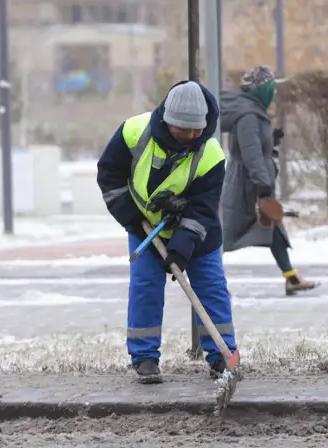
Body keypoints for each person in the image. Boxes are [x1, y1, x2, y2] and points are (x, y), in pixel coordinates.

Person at [96, 80, 238, 384]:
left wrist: (181, 246)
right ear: (167, 121)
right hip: (145, 226)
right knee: (145, 287)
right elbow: (110, 175)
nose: (189, 137)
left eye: (195, 131)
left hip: (198, 233)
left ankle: (223, 357)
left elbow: (203, 208)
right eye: (182, 130)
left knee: (211, 290)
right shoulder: (133, 133)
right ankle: (144, 358)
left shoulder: (211, 155)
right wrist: (132, 219)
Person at [219, 65, 319, 296]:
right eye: (271, 88)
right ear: (262, 90)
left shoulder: (252, 111)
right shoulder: (248, 115)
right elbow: (250, 153)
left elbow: (255, 147)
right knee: (225, 234)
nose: (273, 94)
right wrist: (262, 185)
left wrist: (270, 140)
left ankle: (291, 278)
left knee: (273, 227)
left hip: (255, 180)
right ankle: (209, 282)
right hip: (246, 186)